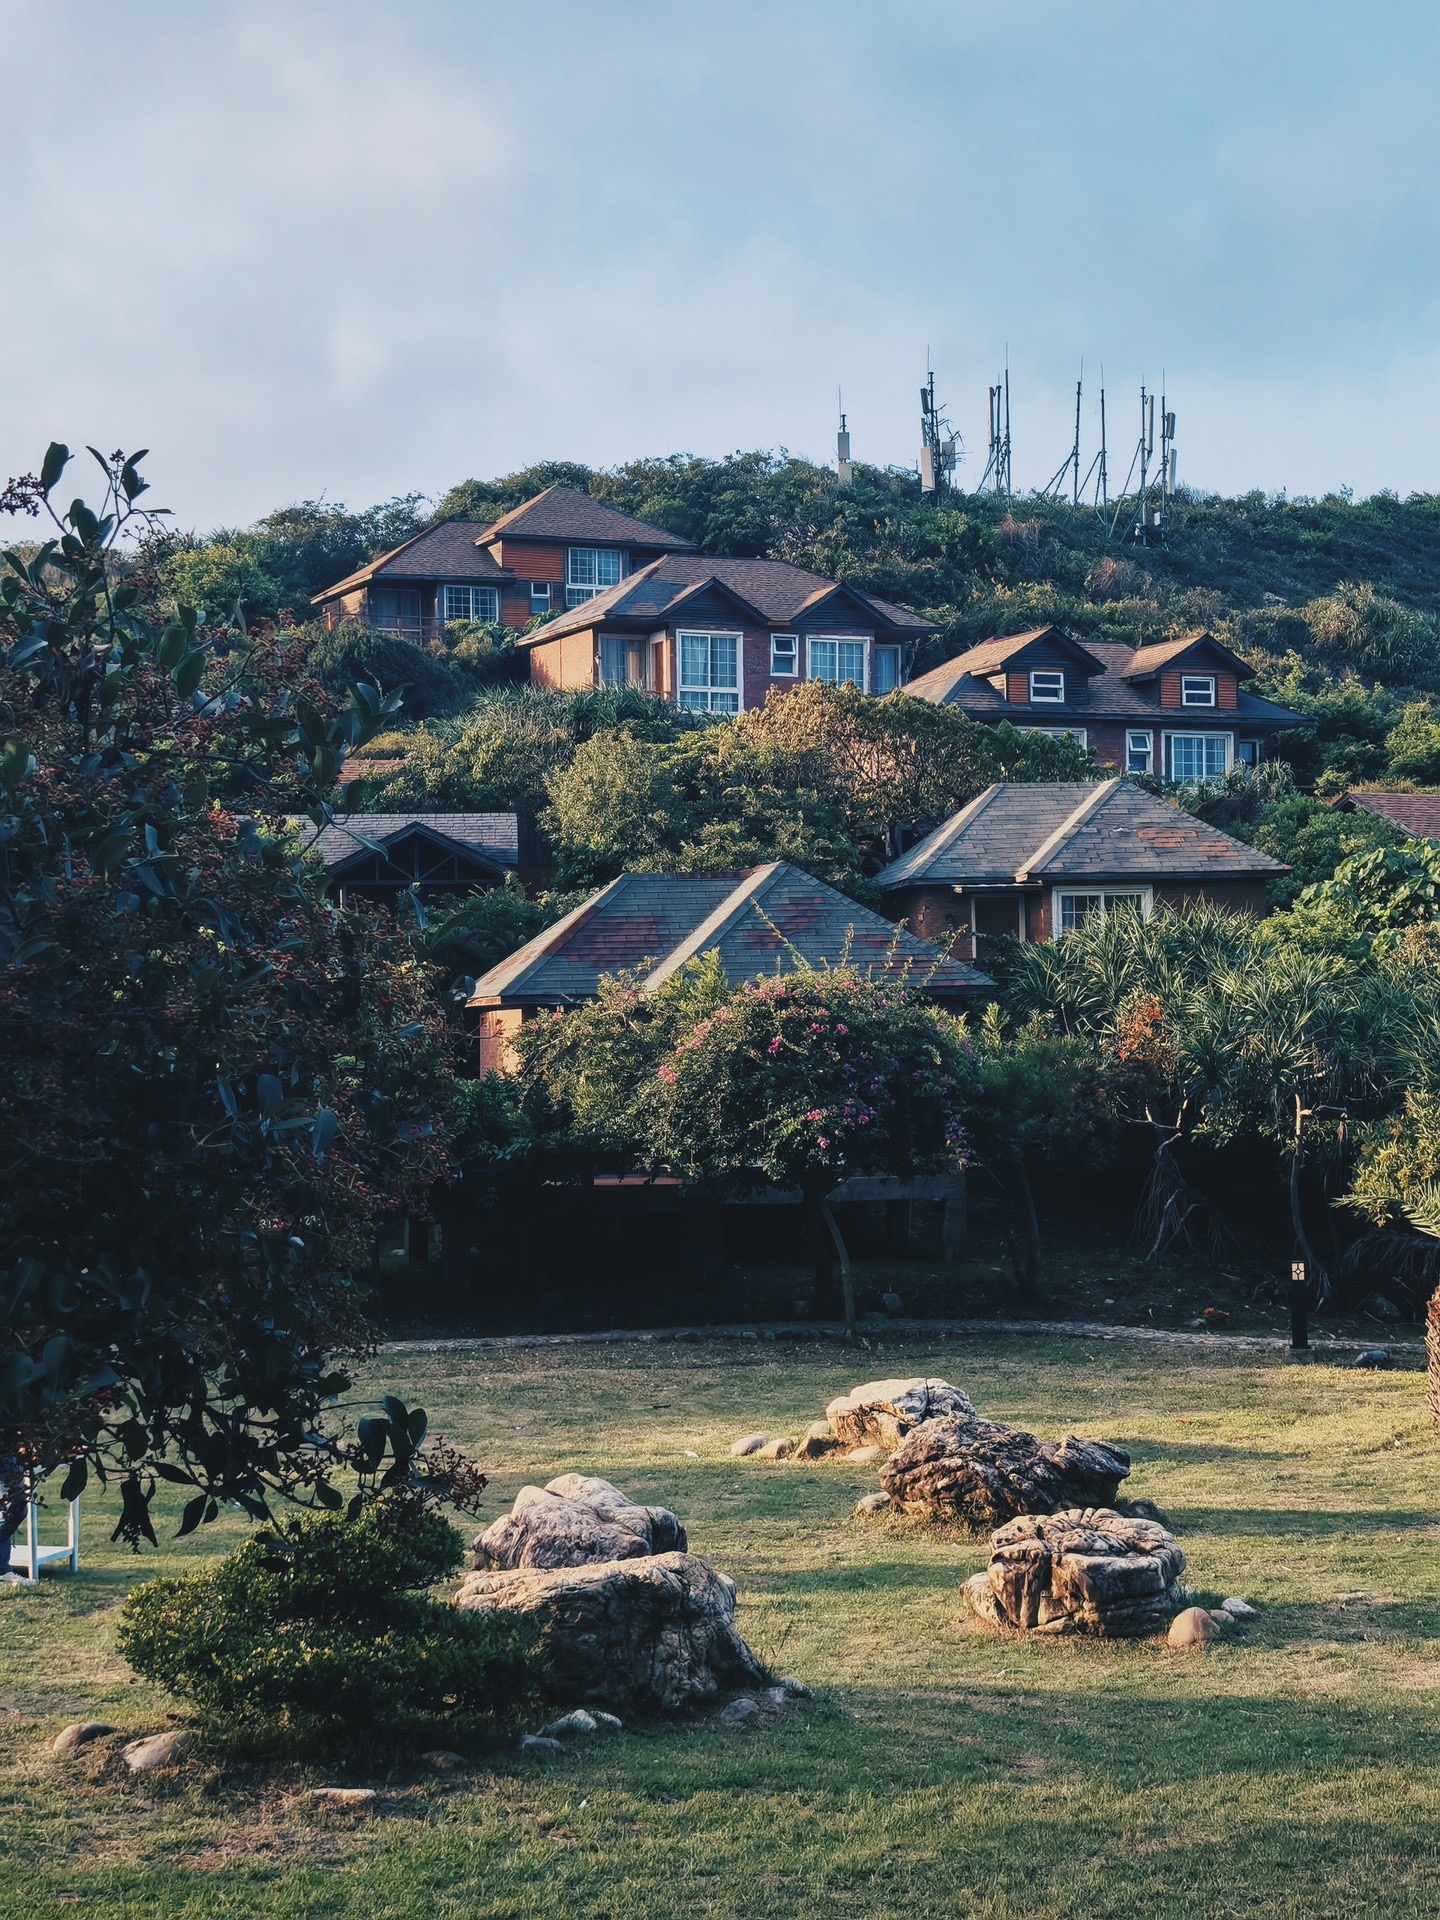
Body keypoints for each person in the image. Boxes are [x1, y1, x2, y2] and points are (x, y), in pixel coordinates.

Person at [0, 1442, 27, 1585]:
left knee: (14, 1512)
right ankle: (3, 1571)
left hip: (11, 1452)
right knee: (9, 1513)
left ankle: (3, 1570)